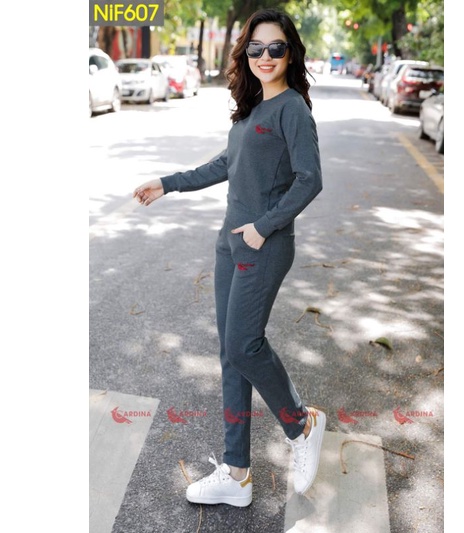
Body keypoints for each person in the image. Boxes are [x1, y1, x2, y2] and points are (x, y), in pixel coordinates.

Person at [133, 8, 325, 507]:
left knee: (243, 346)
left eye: (276, 47)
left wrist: (264, 226)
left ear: (290, 53)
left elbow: (310, 179)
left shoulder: (292, 109)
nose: (266, 56)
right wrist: (168, 183)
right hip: (230, 244)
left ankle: (302, 424)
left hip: (264, 246)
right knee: (231, 355)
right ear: (246, 53)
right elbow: (227, 164)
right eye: (257, 48)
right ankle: (237, 473)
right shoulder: (254, 107)